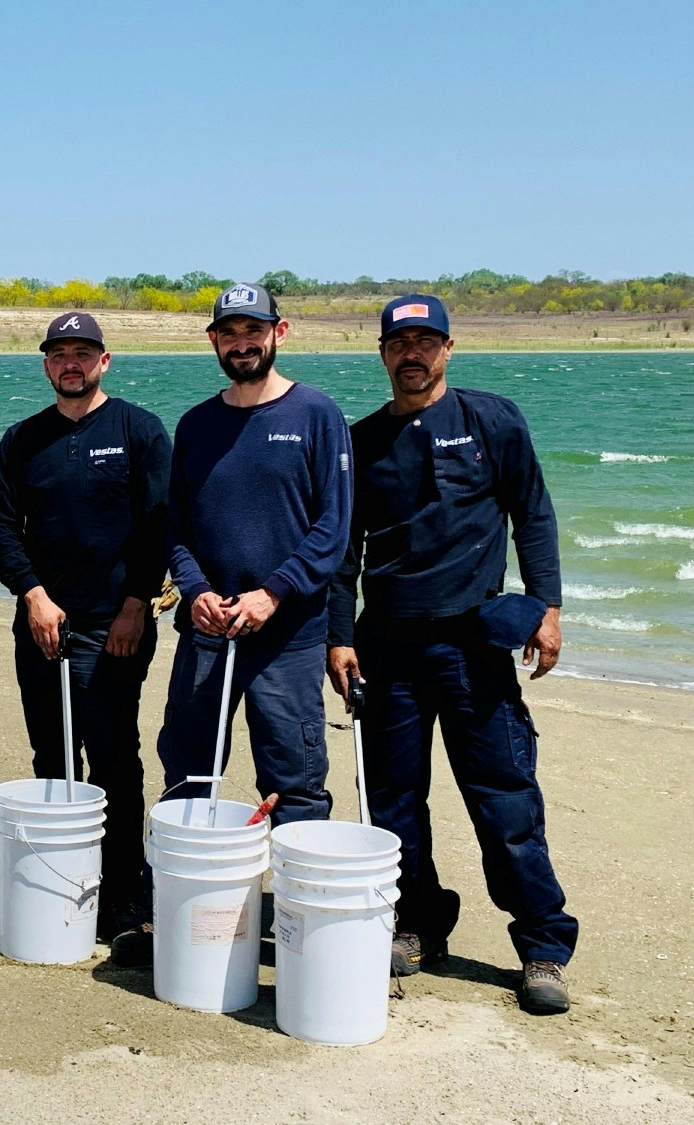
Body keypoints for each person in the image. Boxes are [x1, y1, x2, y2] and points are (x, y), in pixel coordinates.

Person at [327, 294, 576, 1014]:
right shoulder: (360, 440)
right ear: (381, 353)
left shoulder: (490, 419)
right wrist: (339, 636)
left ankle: (542, 945)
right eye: (400, 342)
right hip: (388, 649)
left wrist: (548, 607)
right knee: (395, 803)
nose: (414, 353)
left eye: (426, 340)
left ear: (448, 347)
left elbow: (532, 510)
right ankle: (419, 923)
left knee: (504, 799)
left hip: (476, 645)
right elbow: (346, 554)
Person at [113, 282, 352, 966]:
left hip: (288, 639)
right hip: (208, 636)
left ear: (280, 332)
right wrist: (194, 593)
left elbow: (332, 530)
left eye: (254, 330)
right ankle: (172, 913)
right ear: (213, 341)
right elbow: (178, 530)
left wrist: (274, 594)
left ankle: (304, 929)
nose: (241, 343)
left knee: (297, 782)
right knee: (188, 773)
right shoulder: (195, 425)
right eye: (228, 332)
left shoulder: (316, 414)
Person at [0, 311, 171, 937]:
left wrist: (136, 605)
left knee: (115, 756)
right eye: (60, 354)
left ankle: (124, 894)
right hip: (41, 622)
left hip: (114, 624)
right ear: (45, 365)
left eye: (83, 353)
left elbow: (159, 526)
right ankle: (64, 877)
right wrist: (33, 596)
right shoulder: (22, 439)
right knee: (53, 753)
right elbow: (1, 529)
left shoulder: (139, 430)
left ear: (104, 361)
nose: (72, 364)